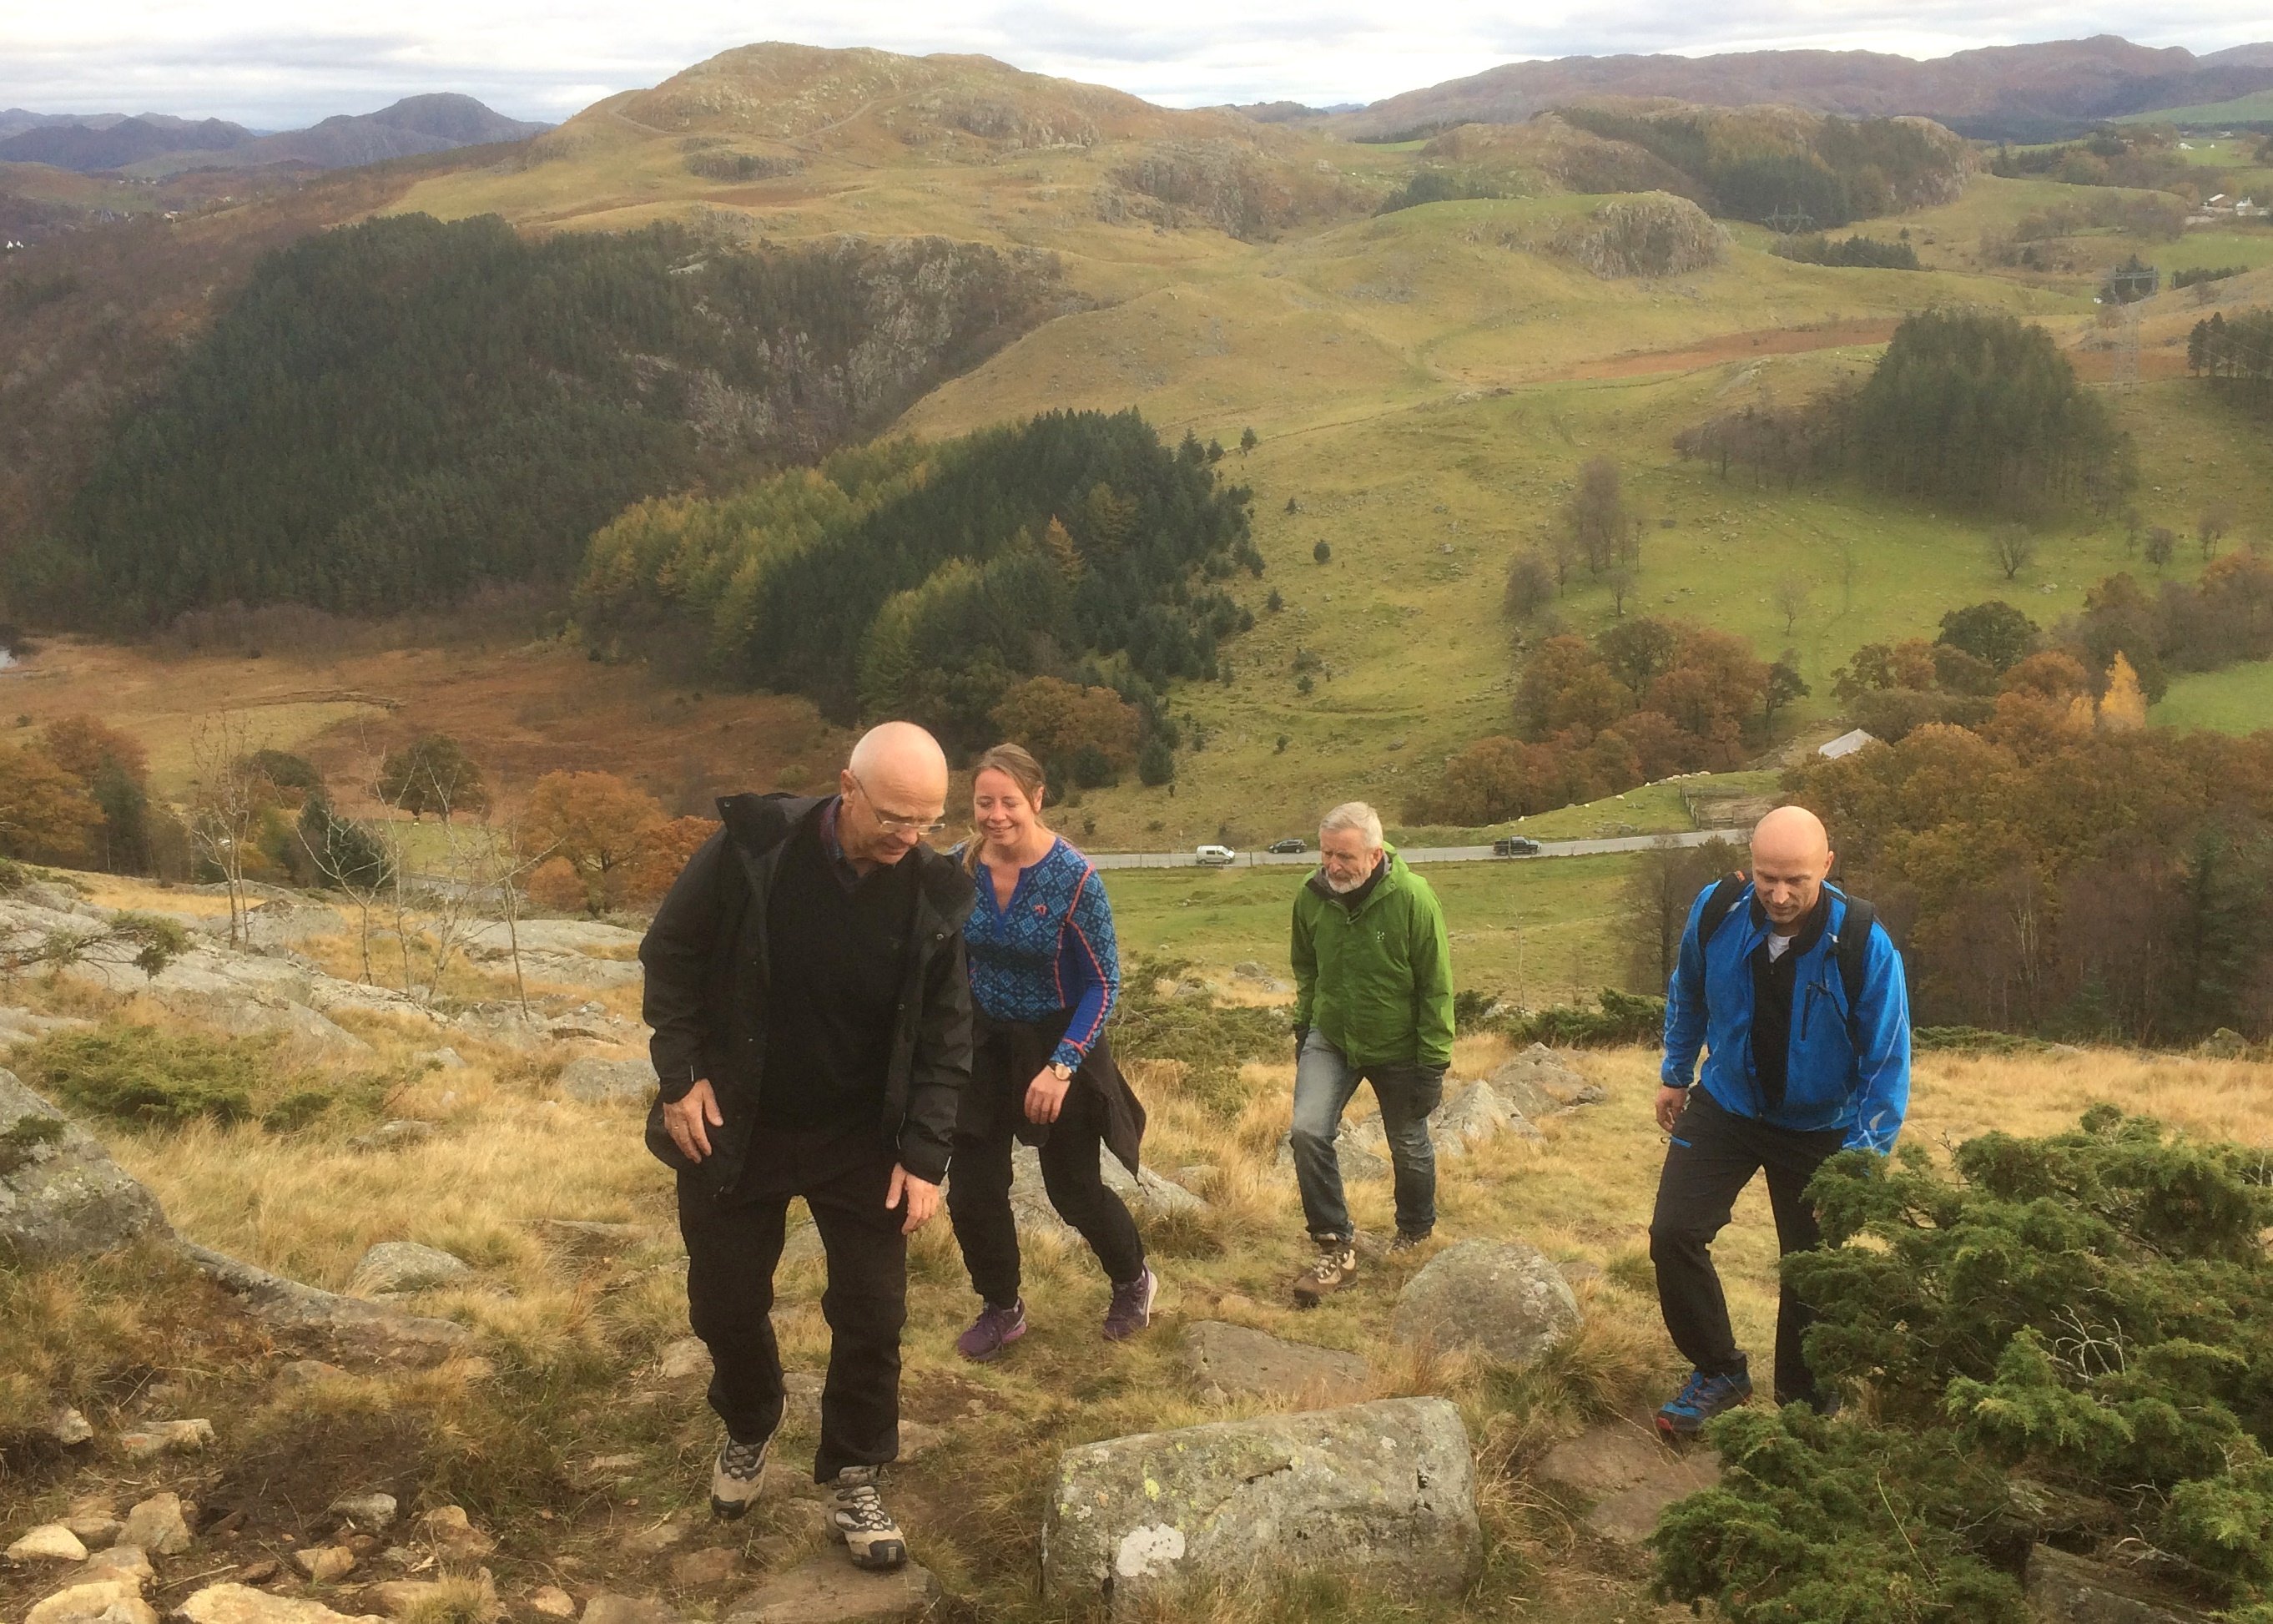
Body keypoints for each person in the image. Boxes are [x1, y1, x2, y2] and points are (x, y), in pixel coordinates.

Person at [638, 722, 973, 1571]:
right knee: (723, 1304)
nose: (910, 837)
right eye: (895, 815)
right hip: (735, 1122)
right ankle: (750, 1418)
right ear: (845, 786)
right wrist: (680, 1076)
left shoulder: (934, 890)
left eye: (928, 821)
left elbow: (947, 1035)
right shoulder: (754, 848)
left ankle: (856, 1467)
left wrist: (927, 1155)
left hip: (865, 1138)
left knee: (873, 1313)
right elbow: (670, 954)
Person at [1650, 804, 1911, 1439]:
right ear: (1750, 863)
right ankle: (1719, 1370)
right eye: (1768, 877)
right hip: (1729, 1102)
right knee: (1673, 1232)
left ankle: (1804, 1406)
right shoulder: (1717, 911)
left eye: (1797, 879)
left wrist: (1860, 1163)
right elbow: (1688, 988)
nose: (1780, 894)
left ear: (1827, 865)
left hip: (1823, 1126)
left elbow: (1886, 1061)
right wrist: (1676, 1069)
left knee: (1809, 1266)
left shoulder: (1863, 944)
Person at [945, 744, 1156, 1359]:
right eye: (984, 802)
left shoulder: (1075, 878)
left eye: (1009, 801)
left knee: (1073, 1189)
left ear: (1037, 799)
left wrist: (1061, 1067)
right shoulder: (961, 866)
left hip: (1061, 1038)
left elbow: (1104, 982)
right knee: (973, 1187)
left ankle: (1133, 1279)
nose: (996, 815)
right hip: (986, 1042)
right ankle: (1001, 1306)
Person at [1285, 800, 1454, 1306]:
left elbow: (1436, 987)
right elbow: (1305, 968)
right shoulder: (1311, 897)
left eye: (1346, 857)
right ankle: (1335, 1242)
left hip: (1399, 1044)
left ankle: (1416, 1229)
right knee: (1307, 1131)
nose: (1334, 866)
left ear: (1376, 854)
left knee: (1407, 1141)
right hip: (1332, 1036)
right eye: (1327, 854)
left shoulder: (1413, 898)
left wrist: (1433, 1062)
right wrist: (1304, 1024)